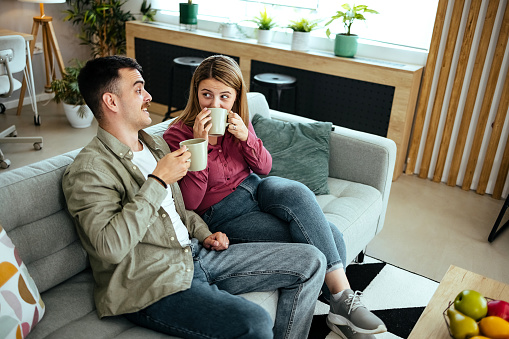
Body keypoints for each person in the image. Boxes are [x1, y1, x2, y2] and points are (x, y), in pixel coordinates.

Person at [62, 55, 328, 339]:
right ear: (111, 102)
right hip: (151, 280)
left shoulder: (153, 147)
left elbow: (177, 210)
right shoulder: (89, 170)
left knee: (312, 260)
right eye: (138, 89)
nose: (149, 96)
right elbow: (109, 247)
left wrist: (204, 233)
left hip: (196, 254)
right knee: (255, 323)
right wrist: (158, 180)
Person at [164, 55, 387, 339]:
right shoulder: (178, 134)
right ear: (196, 92)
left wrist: (247, 138)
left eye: (224, 96)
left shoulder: (238, 122)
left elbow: (265, 167)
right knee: (330, 234)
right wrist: (201, 145)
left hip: (257, 187)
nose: (215, 105)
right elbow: (192, 202)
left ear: (236, 97)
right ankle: (340, 307)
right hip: (223, 212)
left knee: (295, 191)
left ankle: (340, 302)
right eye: (207, 95)